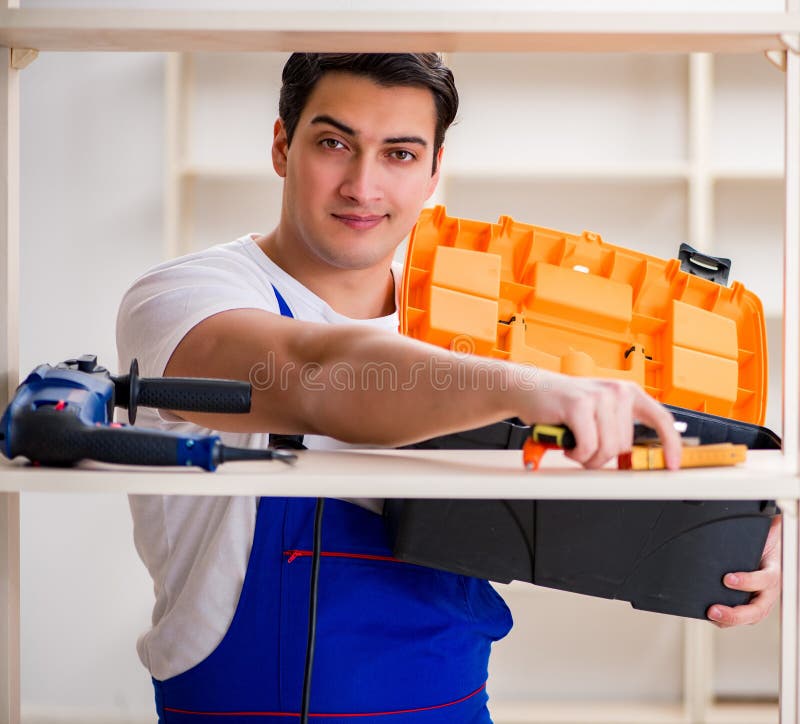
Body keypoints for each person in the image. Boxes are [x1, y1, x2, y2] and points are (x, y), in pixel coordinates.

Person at [116, 53, 780, 723]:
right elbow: (314, 373)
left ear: (434, 170)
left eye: (399, 154)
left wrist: (740, 534)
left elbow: (595, 503)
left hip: (451, 704)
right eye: (334, 143)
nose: (362, 186)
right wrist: (532, 388)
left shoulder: (468, 323)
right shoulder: (184, 299)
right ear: (283, 146)